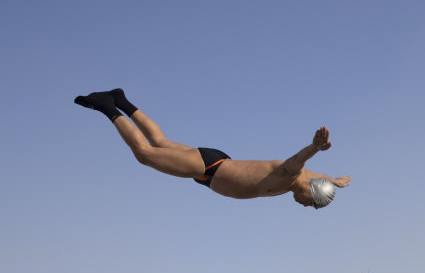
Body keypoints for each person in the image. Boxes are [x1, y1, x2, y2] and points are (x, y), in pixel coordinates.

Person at [74, 89, 351, 208]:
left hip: (212, 168)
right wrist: (314, 147)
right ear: (310, 190)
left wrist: (334, 181)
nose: (305, 206)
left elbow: (313, 174)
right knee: (144, 155)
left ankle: (122, 99)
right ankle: (106, 106)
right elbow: (299, 161)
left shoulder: (301, 182)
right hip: (210, 168)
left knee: (161, 143)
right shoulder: (290, 175)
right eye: (311, 203)